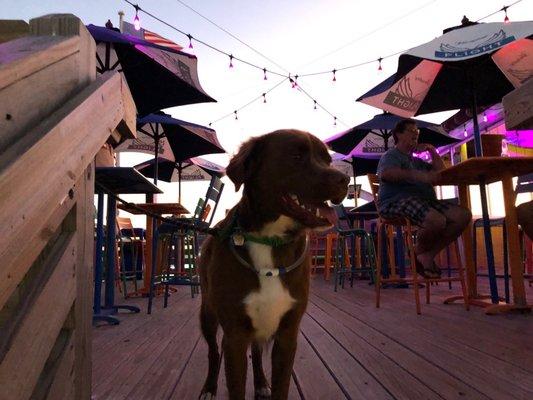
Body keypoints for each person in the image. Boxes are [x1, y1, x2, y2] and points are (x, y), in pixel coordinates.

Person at [377, 119, 472, 278]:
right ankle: (419, 250)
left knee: (462, 216)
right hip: (395, 202)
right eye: (411, 130)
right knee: (437, 220)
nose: (416, 133)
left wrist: (432, 151)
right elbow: (387, 174)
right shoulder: (391, 155)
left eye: (417, 132)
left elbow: (441, 173)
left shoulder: (417, 161)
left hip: (424, 202)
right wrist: (417, 175)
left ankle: (423, 254)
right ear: (399, 134)